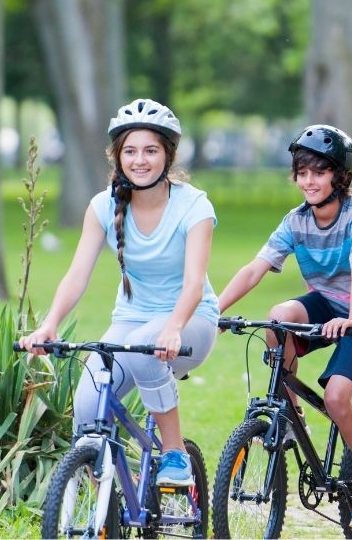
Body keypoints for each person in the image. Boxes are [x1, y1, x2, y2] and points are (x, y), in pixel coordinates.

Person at [19, 99, 219, 487]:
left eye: (150, 150)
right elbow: (78, 274)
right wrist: (50, 324)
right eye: (130, 151)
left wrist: (174, 326)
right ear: (117, 157)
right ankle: (105, 510)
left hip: (191, 320)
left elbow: (195, 282)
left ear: (167, 155)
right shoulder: (103, 205)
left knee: (145, 348)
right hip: (130, 321)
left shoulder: (194, 205)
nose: (139, 160)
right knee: (89, 408)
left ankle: (174, 453)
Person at [215, 124, 352, 530]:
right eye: (302, 172)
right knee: (278, 316)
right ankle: (290, 417)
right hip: (325, 303)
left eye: (319, 171)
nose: (308, 181)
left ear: (340, 176)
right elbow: (254, 270)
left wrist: (350, 318)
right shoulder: (296, 221)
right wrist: (215, 311)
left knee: (336, 397)